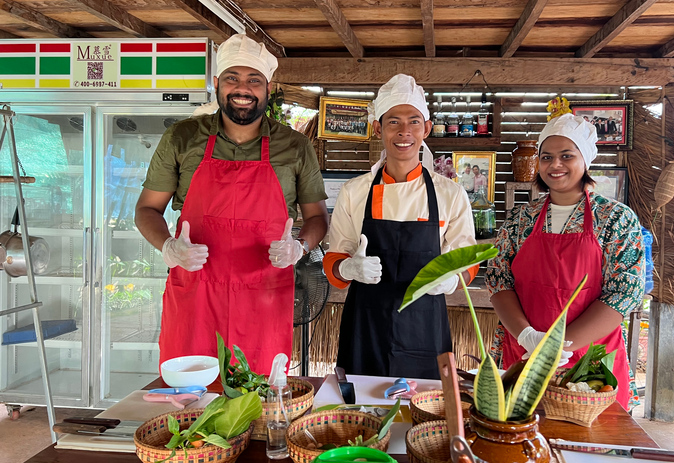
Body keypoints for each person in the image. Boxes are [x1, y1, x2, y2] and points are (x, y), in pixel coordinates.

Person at [135, 34, 329, 375]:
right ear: (216, 84)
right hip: (196, 293)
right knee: (192, 403)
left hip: (263, 297)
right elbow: (147, 209)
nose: (243, 88)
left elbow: (317, 217)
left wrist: (299, 247)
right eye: (232, 78)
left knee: (258, 398)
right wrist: (168, 246)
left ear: (268, 88)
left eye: (254, 80)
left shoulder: (295, 146)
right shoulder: (182, 137)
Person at [485, 113, 644, 410]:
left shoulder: (616, 219)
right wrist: (528, 336)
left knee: (589, 448)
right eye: (546, 157)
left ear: (585, 160)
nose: (554, 165)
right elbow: (498, 280)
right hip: (523, 351)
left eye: (566, 156)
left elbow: (624, 293)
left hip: (588, 361)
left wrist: (559, 345)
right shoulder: (522, 218)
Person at [323, 74, 477, 379]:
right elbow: (334, 261)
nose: (404, 132)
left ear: (427, 128)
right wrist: (349, 269)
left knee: (424, 412)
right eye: (393, 122)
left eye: (414, 121)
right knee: (362, 414)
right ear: (378, 128)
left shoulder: (450, 194)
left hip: (425, 328)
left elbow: (466, 263)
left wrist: (450, 280)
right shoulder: (355, 192)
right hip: (365, 328)